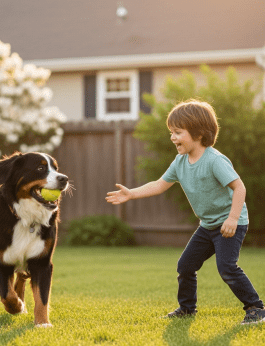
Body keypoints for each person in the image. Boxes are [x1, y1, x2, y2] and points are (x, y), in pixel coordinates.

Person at [106, 99, 264, 325]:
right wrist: (131, 193)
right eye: (171, 132)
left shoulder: (214, 160)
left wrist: (232, 218)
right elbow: (159, 184)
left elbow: (239, 187)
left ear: (199, 133)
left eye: (178, 132)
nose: (172, 137)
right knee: (186, 266)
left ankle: (256, 308)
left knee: (227, 267)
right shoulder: (180, 161)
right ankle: (187, 309)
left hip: (231, 223)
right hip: (208, 225)